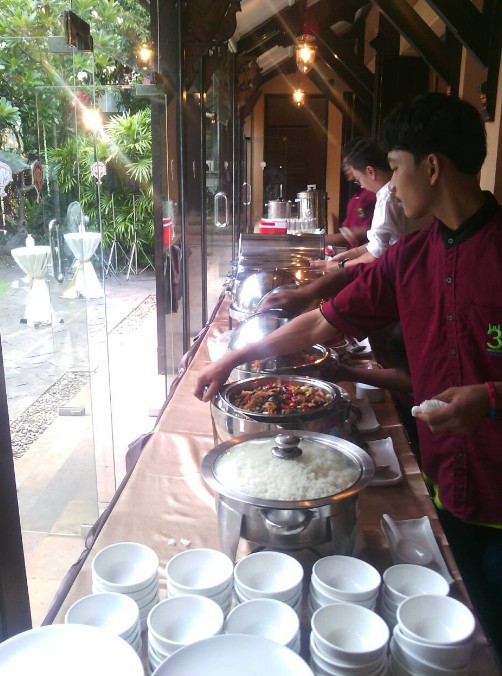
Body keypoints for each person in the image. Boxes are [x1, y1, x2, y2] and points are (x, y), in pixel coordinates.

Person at [195, 92, 502, 660]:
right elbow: (321, 322)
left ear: (432, 167)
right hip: (442, 486)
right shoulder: (411, 257)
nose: (390, 188)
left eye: (397, 167)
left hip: (498, 495)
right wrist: (235, 358)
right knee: (455, 638)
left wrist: (490, 397)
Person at [316, 138, 430, 270]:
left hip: (402, 268)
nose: (362, 185)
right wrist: (348, 255)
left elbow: (375, 256)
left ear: (370, 171)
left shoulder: (387, 197)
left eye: (358, 180)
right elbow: (377, 245)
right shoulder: (408, 190)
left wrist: (338, 265)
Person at [324, 138, 376, 250]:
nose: (344, 168)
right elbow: (347, 233)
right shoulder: (356, 196)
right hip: (354, 252)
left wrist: (317, 240)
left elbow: (379, 232)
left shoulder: (372, 193)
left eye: (347, 163)